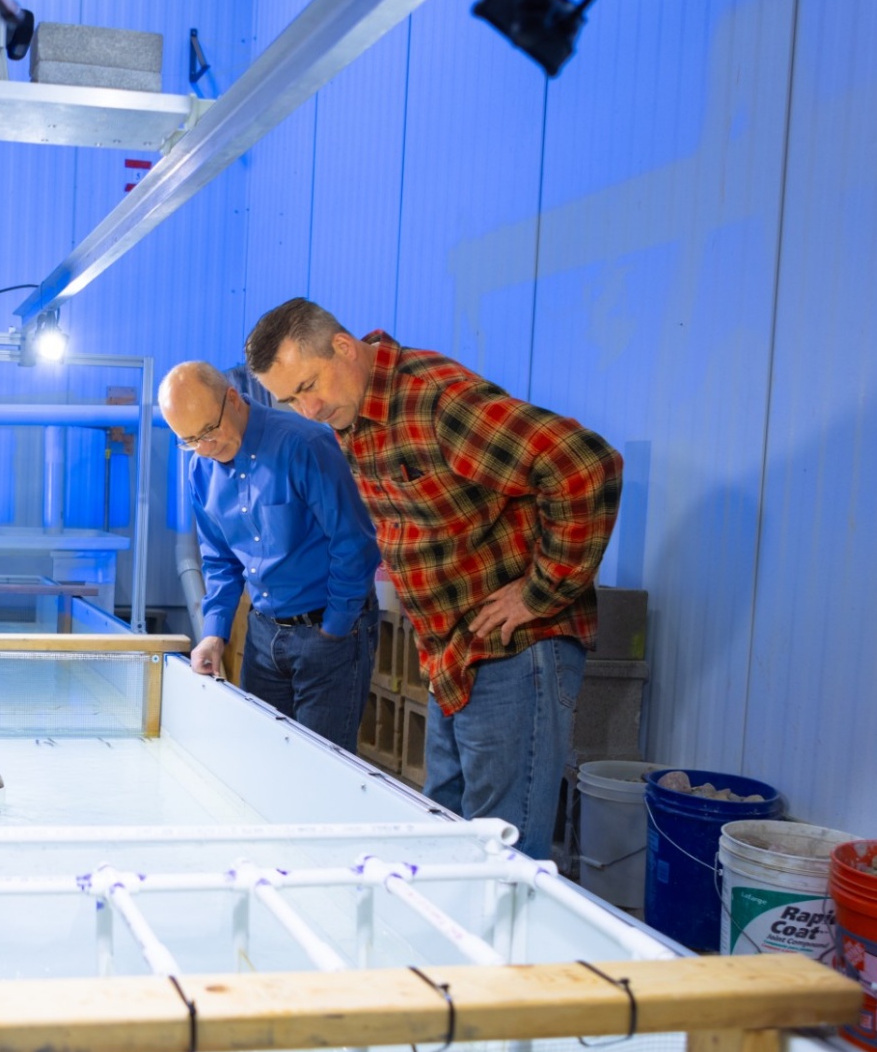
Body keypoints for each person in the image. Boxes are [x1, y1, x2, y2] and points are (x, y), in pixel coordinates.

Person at [246, 300, 621, 859]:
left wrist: (540, 591)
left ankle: (507, 950)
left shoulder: (437, 402)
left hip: (512, 651)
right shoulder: (352, 414)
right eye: (292, 399)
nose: (309, 407)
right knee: (443, 825)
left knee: (500, 848)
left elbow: (586, 465)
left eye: (309, 385)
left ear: (344, 348)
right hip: (450, 651)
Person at [160, 360, 381, 751]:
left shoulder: (305, 446)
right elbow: (220, 562)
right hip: (263, 637)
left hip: (328, 632)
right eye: (190, 440)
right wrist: (214, 633)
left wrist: (335, 627)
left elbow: (354, 542)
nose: (206, 449)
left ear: (233, 399)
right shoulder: (200, 470)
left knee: (320, 772)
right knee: (260, 761)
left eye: (210, 431)